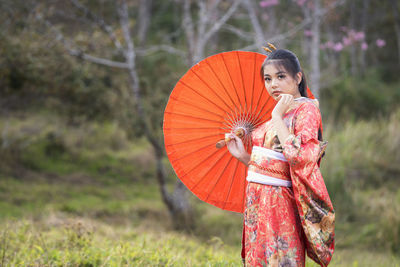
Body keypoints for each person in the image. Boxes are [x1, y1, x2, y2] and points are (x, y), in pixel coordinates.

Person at [226, 48, 335, 267]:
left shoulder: (306, 110)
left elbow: (299, 158)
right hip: (257, 196)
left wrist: (276, 116)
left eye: (280, 76)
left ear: (298, 77)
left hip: (280, 199)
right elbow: (273, 162)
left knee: (280, 256)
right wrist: (244, 156)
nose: (273, 84)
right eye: (267, 79)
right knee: (258, 255)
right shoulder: (280, 111)